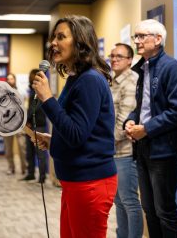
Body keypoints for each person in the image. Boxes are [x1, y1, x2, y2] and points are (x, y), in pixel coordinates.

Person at [31, 15, 117, 238]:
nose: (54, 44)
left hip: (90, 182)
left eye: (61, 37)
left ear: (80, 41)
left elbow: (77, 134)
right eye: (53, 38)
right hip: (74, 180)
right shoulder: (75, 78)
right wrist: (54, 140)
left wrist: (48, 100)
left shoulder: (90, 79)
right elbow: (79, 130)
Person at [125, 19, 177, 238]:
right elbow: (143, 108)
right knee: (149, 210)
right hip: (142, 149)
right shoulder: (143, 68)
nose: (137, 41)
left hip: (163, 150)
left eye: (142, 36)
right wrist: (130, 121)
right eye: (135, 37)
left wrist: (146, 129)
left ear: (158, 39)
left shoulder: (171, 67)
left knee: (164, 211)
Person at [109, 43, 143, 238]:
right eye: (112, 56)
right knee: (119, 201)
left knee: (129, 201)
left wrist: (102, 142)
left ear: (130, 60)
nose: (114, 59)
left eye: (119, 56)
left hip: (126, 151)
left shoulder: (131, 81)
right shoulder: (114, 81)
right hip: (113, 151)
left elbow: (123, 122)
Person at [21, 69, 47, 183]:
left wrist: (28, 119)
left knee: (40, 152)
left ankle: (42, 176)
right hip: (29, 125)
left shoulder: (40, 90)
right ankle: (30, 173)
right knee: (29, 152)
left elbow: (35, 107)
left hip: (38, 125)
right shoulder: (30, 91)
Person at [3, 73, 26, 175]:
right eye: (8, 79)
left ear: (15, 80)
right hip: (7, 124)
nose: (9, 80)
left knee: (22, 146)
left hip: (19, 123)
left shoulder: (20, 92)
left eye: (11, 79)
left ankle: (24, 168)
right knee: (8, 148)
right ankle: (10, 167)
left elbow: (23, 107)